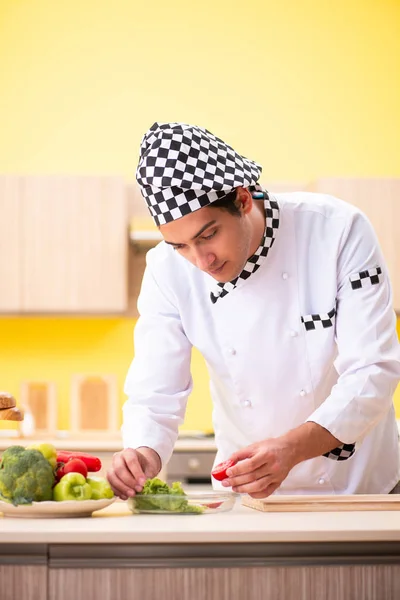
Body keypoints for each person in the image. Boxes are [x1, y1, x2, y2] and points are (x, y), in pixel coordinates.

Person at [107, 122, 400, 500]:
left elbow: (373, 368)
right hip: (248, 494)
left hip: (363, 489)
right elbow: (156, 390)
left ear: (243, 200)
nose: (201, 260)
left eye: (207, 235)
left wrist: (291, 449)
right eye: (180, 245)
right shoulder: (166, 269)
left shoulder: (337, 230)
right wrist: (142, 452)